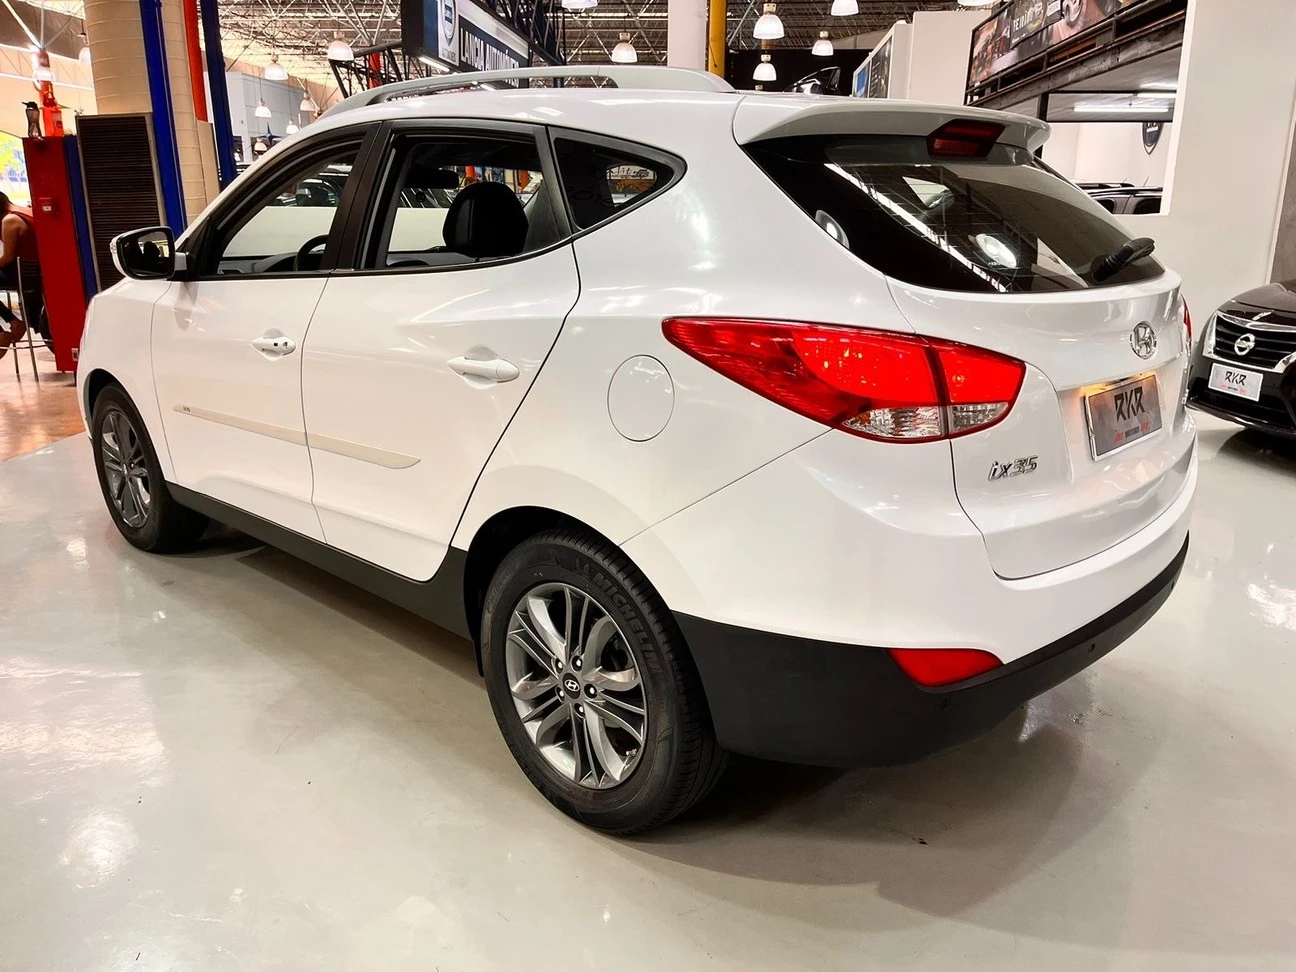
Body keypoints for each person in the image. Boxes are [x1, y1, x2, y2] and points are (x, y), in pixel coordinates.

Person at [0, 190, 41, 360]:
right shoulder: (24, 210)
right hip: (34, 271)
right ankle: (12, 324)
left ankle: (11, 324)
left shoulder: (9, 220)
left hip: (24, 273)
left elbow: (8, 257)